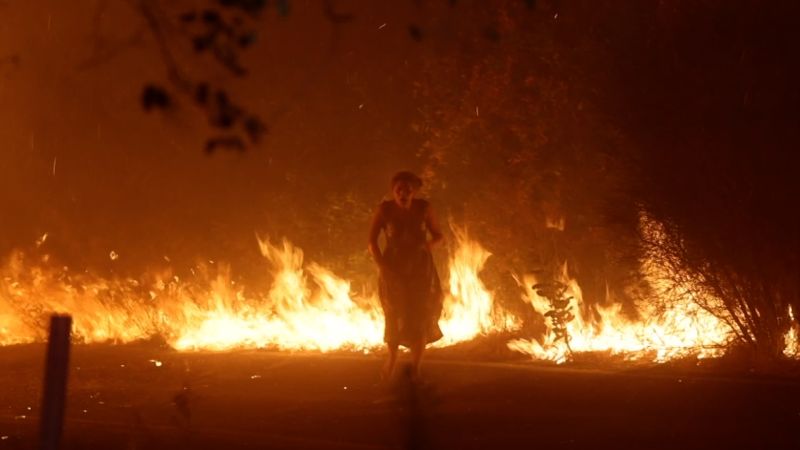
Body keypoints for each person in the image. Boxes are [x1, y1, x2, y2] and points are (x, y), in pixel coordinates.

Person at [368, 171, 444, 381]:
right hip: (393, 268)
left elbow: (439, 235)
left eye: (407, 190)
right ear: (393, 192)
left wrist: (427, 246)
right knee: (394, 314)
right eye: (399, 190)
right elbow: (372, 241)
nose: (403, 193)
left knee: (420, 314)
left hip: (420, 269)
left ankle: (416, 367)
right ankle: (391, 360)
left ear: (414, 192)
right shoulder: (385, 210)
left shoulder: (424, 208)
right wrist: (382, 266)